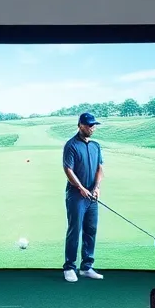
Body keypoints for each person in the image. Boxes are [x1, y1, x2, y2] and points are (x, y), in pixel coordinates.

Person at [61, 112, 104, 283]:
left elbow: (100, 168)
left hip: (92, 196)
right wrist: (80, 187)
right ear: (80, 125)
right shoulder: (71, 145)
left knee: (91, 229)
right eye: (89, 125)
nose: (92, 128)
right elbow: (68, 169)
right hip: (76, 195)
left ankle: (86, 267)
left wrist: (96, 188)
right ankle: (70, 267)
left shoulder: (96, 146)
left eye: (94, 125)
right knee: (75, 230)